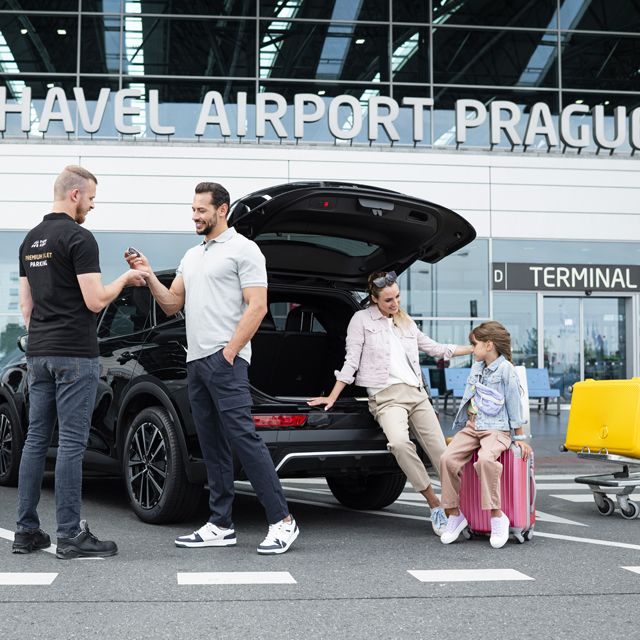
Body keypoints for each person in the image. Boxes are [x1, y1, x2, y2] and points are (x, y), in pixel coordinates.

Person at [125, 181, 299, 555]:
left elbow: (257, 306)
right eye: (192, 209)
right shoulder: (192, 256)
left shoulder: (244, 250)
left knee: (243, 439)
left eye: (201, 210)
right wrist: (150, 273)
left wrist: (229, 353)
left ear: (222, 209)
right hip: (196, 362)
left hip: (226, 360)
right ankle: (220, 523)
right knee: (211, 445)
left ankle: (282, 520)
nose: (195, 216)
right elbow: (172, 304)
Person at [14, 165, 148, 559]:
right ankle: (70, 536)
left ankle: (26, 532)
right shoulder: (79, 237)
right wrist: (126, 279)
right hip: (74, 353)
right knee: (72, 444)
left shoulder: (30, 241)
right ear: (75, 194)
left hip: (38, 352)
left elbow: (26, 308)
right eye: (90, 198)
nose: (91, 206)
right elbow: (94, 300)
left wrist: (45, 331)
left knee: (36, 441)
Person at [308, 271, 473, 535]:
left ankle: (456, 509)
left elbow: (436, 348)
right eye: (388, 300)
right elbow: (351, 360)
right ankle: (435, 505)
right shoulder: (360, 320)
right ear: (374, 299)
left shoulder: (405, 322)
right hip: (386, 397)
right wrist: (332, 395)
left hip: (417, 395)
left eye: (397, 297)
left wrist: (474, 349)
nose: (394, 304)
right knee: (398, 443)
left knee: (442, 455)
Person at [439, 320, 533, 549]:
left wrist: (520, 439)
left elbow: (514, 404)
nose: (472, 348)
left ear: (489, 345)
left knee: (485, 461)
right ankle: (454, 515)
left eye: (475, 344)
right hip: (473, 426)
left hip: (497, 428)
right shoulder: (477, 367)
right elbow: (471, 399)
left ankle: (497, 516)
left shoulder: (506, 370)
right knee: (447, 459)